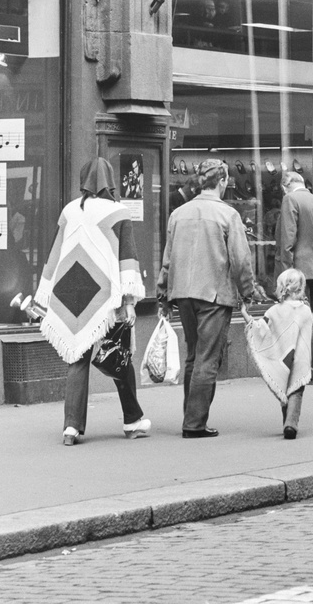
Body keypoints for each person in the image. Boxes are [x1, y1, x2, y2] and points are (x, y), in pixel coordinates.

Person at [34, 158, 149, 445]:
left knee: (78, 356)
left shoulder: (70, 211)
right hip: (107, 298)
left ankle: (71, 427)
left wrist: (44, 298)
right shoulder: (117, 212)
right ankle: (132, 421)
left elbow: (55, 254)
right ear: (109, 182)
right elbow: (127, 259)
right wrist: (129, 301)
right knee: (120, 355)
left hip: (71, 296)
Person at [157, 158, 265, 438]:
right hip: (214, 294)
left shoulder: (178, 214)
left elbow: (167, 259)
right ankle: (194, 424)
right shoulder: (228, 215)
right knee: (208, 358)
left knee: (194, 355)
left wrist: (163, 295)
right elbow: (241, 260)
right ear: (222, 181)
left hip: (183, 293)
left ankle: (190, 415)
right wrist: (249, 290)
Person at [241, 269, 313, 439]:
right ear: (301, 288)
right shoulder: (306, 312)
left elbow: (261, 329)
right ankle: (290, 424)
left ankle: (287, 423)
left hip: (282, 360)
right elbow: (308, 336)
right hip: (301, 359)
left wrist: (245, 313)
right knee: (296, 391)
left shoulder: (274, 311)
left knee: (284, 388)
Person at [276, 171, 313, 307]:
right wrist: (312, 253)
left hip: (294, 274)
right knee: (306, 319)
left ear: (285, 187)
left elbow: (287, 241)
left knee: (292, 321)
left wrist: (286, 276)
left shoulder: (290, 199)